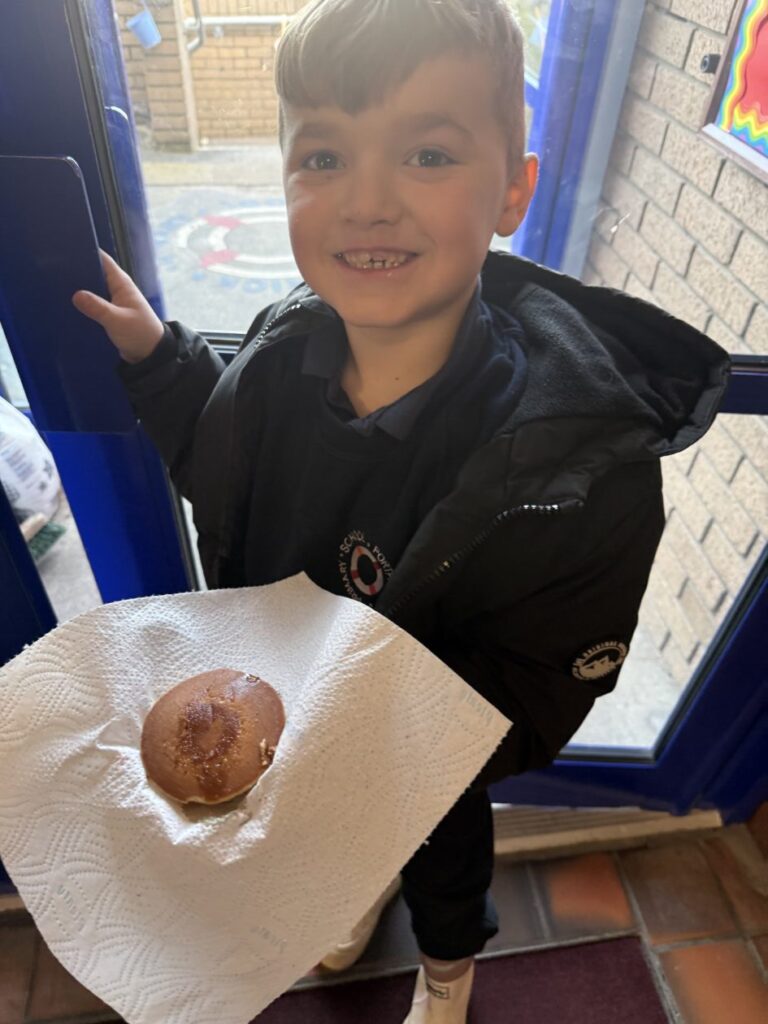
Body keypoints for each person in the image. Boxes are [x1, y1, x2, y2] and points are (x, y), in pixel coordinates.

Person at [72, 1, 730, 1020]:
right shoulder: (281, 356)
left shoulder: (579, 467)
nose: (367, 202)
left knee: (444, 863)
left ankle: (448, 973)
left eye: (427, 154)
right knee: (327, 839)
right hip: (294, 729)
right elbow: (222, 469)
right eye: (324, 157)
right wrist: (161, 363)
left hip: (427, 760)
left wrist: (375, 735)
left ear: (513, 190)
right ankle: (353, 889)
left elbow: (542, 687)